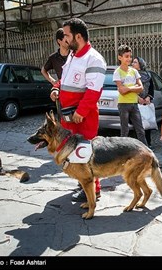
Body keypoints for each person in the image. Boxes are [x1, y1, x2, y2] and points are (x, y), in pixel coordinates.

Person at [50, 18, 106, 202]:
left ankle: (93, 190)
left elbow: (93, 91)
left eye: (66, 35)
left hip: (83, 117)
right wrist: (56, 88)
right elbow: (64, 78)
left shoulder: (94, 59)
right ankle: (83, 183)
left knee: (86, 152)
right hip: (69, 116)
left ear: (78, 36)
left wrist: (80, 112)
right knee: (74, 151)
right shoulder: (73, 55)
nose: (64, 39)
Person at [113, 45, 147, 146]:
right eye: (126, 56)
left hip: (134, 103)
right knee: (125, 131)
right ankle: (123, 153)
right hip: (123, 104)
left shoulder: (134, 71)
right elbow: (121, 91)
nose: (129, 59)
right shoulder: (117, 72)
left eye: (130, 56)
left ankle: (146, 151)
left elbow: (141, 88)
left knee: (140, 130)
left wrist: (127, 88)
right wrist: (133, 87)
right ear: (120, 57)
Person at [132, 57, 155, 147]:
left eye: (135, 62)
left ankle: (147, 144)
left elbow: (151, 88)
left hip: (146, 102)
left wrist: (149, 97)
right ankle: (137, 146)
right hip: (135, 103)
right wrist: (138, 98)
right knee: (136, 125)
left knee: (147, 123)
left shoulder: (148, 75)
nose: (133, 64)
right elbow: (130, 88)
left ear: (140, 64)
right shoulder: (131, 75)